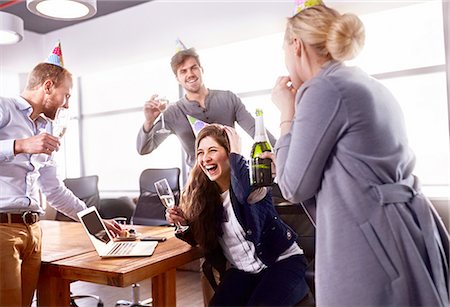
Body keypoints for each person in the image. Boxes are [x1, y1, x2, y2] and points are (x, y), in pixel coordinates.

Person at [267, 1, 450, 306]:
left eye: (284, 50)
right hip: (401, 232)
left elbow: (293, 186)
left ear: (296, 45)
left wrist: (287, 112)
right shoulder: (367, 83)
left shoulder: (323, 89)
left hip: (369, 246)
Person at [0, 43, 122, 306]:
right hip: (2, 230)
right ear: (47, 86)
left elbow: (54, 190)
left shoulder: (48, 129)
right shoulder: (4, 108)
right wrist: (20, 145)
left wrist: (95, 220)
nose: (66, 104)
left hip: (33, 230)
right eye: (65, 95)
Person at [166, 124, 309, 306]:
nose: (205, 158)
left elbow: (245, 196)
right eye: (200, 152)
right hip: (243, 271)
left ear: (229, 154)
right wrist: (183, 224)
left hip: (281, 263)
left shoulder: (254, 183)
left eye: (213, 150)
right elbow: (200, 240)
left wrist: (236, 151)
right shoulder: (203, 197)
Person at [136, 47, 276, 168]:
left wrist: (282, 152)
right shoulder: (172, 113)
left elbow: (256, 130)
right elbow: (144, 149)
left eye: (193, 68)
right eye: (183, 71)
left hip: (234, 178)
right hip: (198, 185)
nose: (190, 74)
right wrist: (148, 122)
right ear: (177, 79)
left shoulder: (229, 98)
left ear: (201, 69)